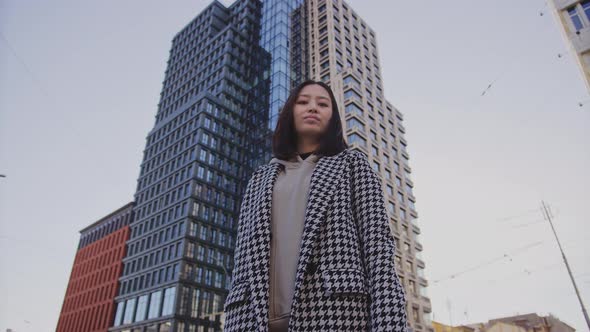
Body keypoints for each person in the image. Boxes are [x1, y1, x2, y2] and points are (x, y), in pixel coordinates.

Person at [223, 80, 408, 331]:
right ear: (290, 112)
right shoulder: (260, 178)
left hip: (337, 315)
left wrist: (390, 325)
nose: (313, 108)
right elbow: (243, 260)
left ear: (333, 117)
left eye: (323, 104)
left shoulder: (352, 165)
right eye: (303, 102)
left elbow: (378, 252)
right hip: (254, 320)